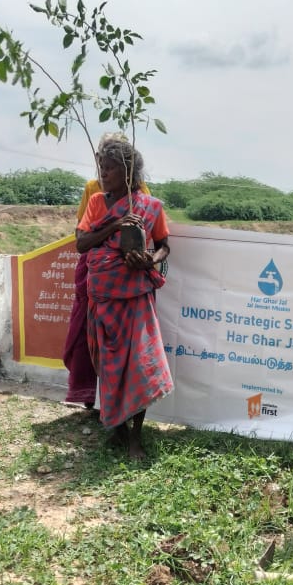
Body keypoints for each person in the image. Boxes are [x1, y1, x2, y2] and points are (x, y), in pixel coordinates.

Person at [75, 138, 172, 460]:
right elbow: (82, 244)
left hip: (134, 298)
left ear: (128, 172)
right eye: (101, 167)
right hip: (101, 298)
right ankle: (115, 427)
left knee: (139, 366)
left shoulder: (151, 206)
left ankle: (135, 438)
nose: (103, 174)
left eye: (110, 168)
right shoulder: (97, 204)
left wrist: (150, 260)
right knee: (107, 363)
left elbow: (164, 246)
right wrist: (116, 224)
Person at [63, 134, 151, 413]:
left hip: (126, 273)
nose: (105, 169)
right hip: (94, 270)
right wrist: (111, 228)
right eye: (102, 160)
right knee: (86, 334)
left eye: (112, 162)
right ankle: (89, 396)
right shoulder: (94, 190)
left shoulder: (143, 193)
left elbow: (148, 231)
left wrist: (146, 258)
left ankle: (122, 407)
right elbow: (82, 234)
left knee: (124, 343)